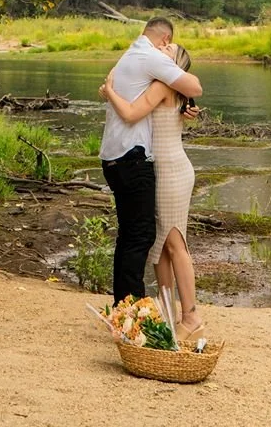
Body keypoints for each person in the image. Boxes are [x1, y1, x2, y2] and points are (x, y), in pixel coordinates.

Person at [101, 42, 203, 339]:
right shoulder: (163, 83)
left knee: (174, 244)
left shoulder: (164, 84)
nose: (163, 47)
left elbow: (132, 113)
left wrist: (110, 93)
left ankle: (191, 316)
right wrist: (110, 89)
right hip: (160, 169)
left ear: (175, 63)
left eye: (169, 49)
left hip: (172, 171)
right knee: (159, 250)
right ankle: (170, 315)